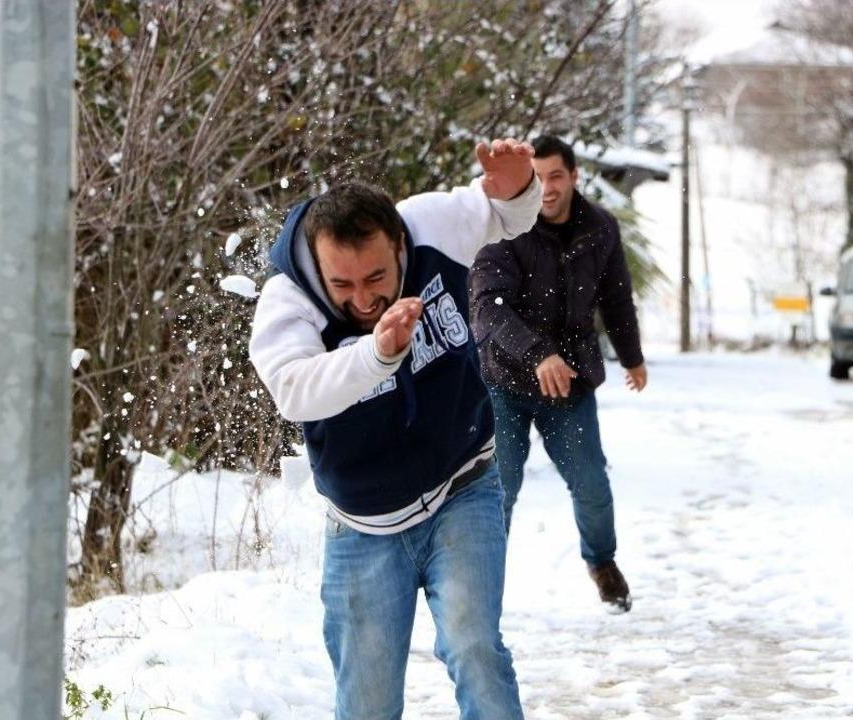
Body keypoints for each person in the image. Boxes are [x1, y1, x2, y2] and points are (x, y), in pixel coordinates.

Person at [249, 138, 540, 720]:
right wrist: (376, 354)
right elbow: (293, 390)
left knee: (475, 649)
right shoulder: (289, 299)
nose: (363, 298)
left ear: (400, 244)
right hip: (364, 524)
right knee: (368, 702)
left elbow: (505, 212)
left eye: (377, 277)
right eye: (343, 285)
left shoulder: (429, 225)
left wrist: (519, 186)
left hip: (464, 486)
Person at [469, 135, 647, 614]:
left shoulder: (599, 228)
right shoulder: (501, 225)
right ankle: (482, 585)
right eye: (538, 177)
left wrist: (632, 357)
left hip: (570, 381)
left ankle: (602, 563)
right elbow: (488, 308)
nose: (546, 189)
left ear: (573, 177)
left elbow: (616, 297)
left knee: (591, 483)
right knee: (499, 489)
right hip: (504, 380)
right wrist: (537, 355)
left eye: (556, 177)